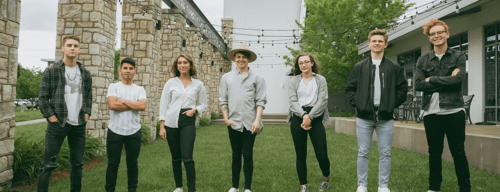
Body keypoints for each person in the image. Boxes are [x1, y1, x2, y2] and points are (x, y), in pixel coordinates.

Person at [345, 29, 407, 192]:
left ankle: (383, 186)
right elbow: (350, 88)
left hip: (385, 117)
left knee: (385, 153)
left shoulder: (394, 67)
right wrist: (358, 104)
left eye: (380, 41)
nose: (377, 43)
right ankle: (362, 185)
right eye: (374, 41)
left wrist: (391, 104)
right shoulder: (359, 67)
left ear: (385, 44)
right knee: (363, 152)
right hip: (364, 117)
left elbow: (402, 89)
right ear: (369, 44)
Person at [415, 18, 470, 192]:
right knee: (434, 153)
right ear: (429, 37)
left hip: (454, 111)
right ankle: (434, 188)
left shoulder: (459, 56)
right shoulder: (423, 60)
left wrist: (431, 79)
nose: (437, 36)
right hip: (431, 113)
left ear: (447, 33)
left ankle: (465, 188)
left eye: (440, 32)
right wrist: (448, 78)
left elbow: (459, 80)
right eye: (432, 33)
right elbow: (418, 84)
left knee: (458, 153)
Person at [37, 36, 92, 192]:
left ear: (79, 49)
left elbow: (88, 96)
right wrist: (51, 117)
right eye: (69, 45)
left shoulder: (85, 73)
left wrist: (87, 113)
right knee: (48, 165)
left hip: (79, 125)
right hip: (58, 124)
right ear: (63, 48)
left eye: (75, 45)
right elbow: (42, 97)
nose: (72, 48)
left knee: (77, 165)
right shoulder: (52, 70)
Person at [219, 44, 267, 192]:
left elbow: (261, 101)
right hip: (233, 122)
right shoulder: (226, 78)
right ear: (234, 59)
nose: (241, 59)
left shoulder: (258, 78)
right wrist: (226, 119)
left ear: (248, 59)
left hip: (250, 123)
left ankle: (247, 187)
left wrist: (257, 120)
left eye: (244, 57)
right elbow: (223, 100)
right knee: (235, 155)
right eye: (238, 57)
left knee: (247, 154)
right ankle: (234, 186)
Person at [159, 55, 207, 192]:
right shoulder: (170, 83)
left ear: (190, 65)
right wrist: (162, 126)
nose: (182, 65)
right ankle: (179, 187)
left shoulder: (198, 84)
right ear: (176, 66)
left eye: (185, 62)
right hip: (171, 121)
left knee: (187, 158)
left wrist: (195, 110)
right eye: (180, 63)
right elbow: (163, 104)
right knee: (175, 158)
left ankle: (191, 189)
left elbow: (204, 104)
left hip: (188, 121)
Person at [288, 53, 331, 192]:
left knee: (322, 154)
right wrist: (303, 115)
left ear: (312, 63)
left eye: (306, 62)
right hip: (298, 118)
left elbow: (323, 100)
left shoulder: (320, 80)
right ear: (298, 65)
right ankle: (303, 186)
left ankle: (325, 178)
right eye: (301, 63)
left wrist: (309, 117)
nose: (303, 65)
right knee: (301, 155)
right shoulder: (293, 81)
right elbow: (292, 101)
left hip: (316, 118)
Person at [105, 58, 147, 192]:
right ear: (120, 71)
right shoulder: (114, 86)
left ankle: (132, 189)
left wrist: (122, 101)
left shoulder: (140, 89)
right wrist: (133, 104)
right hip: (115, 130)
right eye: (125, 68)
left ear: (134, 71)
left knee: (132, 164)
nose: (127, 71)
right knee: (112, 164)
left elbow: (143, 106)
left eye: (130, 68)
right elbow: (112, 105)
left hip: (134, 131)